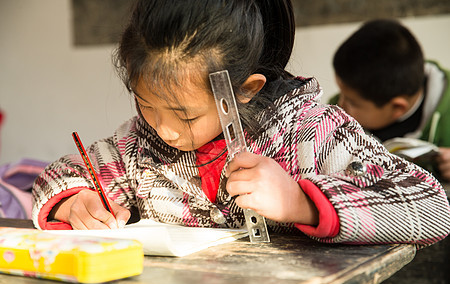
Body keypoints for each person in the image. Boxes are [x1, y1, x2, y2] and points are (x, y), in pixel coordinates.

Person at [32, 0, 449, 249]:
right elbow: (59, 174)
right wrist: (73, 200)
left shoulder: (312, 133)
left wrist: (300, 202)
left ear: (245, 90)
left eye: (186, 115)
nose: (165, 131)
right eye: (146, 106)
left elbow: (430, 210)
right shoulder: (138, 147)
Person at [329, 19, 450, 181]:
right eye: (341, 93)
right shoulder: (348, 103)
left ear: (397, 108)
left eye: (352, 102)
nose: (340, 105)